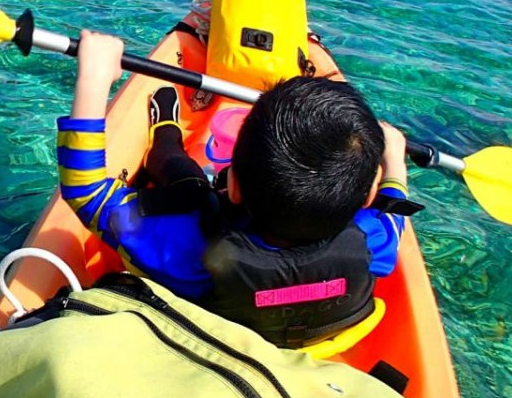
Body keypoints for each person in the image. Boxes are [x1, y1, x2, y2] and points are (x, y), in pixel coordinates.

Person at [56, 29, 414, 348]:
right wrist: (395, 160)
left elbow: (86, 191)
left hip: (210, 337)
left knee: (191, 187)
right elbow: (394, 209)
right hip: (317, 344)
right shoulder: (372, 240)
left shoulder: (189, 247)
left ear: (235, 187)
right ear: (363, 197)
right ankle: (166, 134)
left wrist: (94, 78)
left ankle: (166, 131)